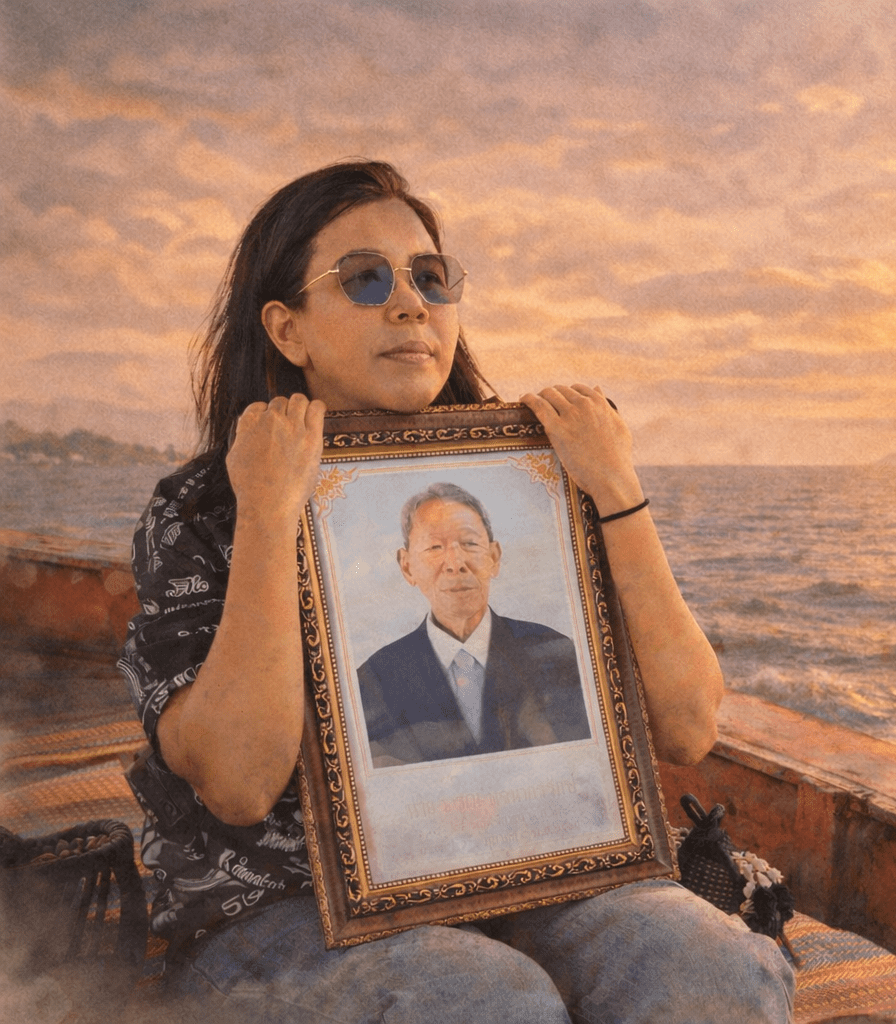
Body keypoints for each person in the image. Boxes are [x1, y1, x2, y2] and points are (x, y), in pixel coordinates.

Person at [116, 161, 794, 1023]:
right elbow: (241, 783)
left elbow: (691, 726)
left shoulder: (540, 471)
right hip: (279, 910)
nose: (411, 304)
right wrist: (268, 512)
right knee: (483, 999)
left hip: (535, 879)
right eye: (365, 279)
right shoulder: (201, 510)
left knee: (711, 968)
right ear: (288, 330)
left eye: (430, 278)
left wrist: (615, 489)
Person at [357, 481, 590, 766]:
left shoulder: (556, 654)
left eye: (469, 543)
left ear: (493, 557)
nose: (455, 563)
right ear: (407, 567)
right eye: (434, 546)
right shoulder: (374, 679)